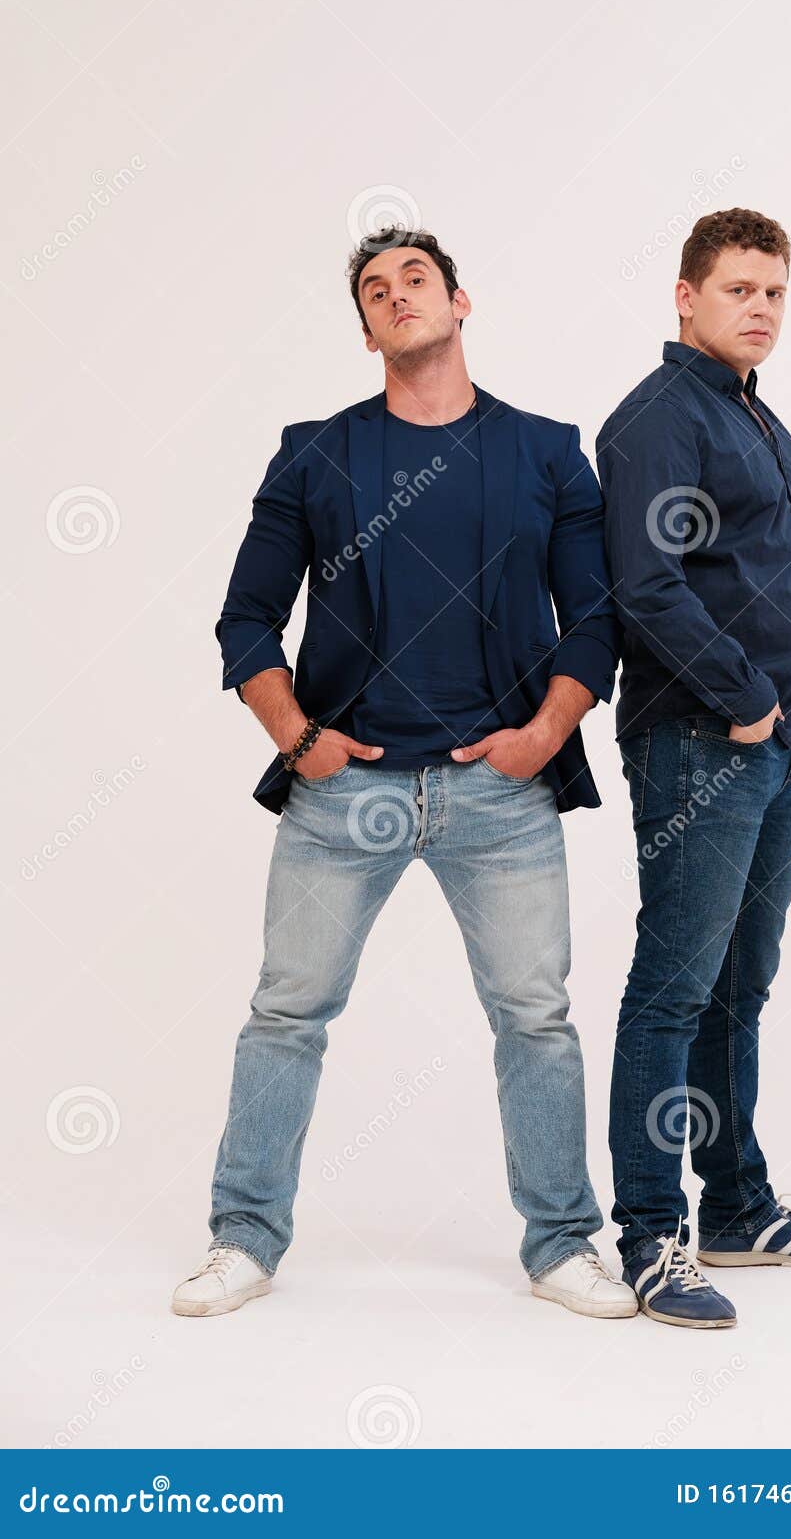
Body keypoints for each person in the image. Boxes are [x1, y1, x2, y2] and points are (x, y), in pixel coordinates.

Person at [172, 227, 635, 1322]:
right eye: (373, 291)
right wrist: (298, 739)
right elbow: (247, 618)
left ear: (459, 301)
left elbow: (596, 621)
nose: (395, 297)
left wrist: (541, 733)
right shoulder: (315, 455)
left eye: (413, 279)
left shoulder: (546, 452)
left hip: (500, 791)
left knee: (536, 1018)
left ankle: (563, 1243)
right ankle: (243, 1238)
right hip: (345, 790)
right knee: (287, 1011)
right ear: (366, 327)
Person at [596, 208, 791, 1330]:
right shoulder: (659, 419)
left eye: (774, 292)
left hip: (777, 740)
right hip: (699, 746)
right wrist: (748, 697)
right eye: (739, 288)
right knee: (670, 990)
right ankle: (651, 1233)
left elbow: (774, 564)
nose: (759, 307)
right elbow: (645, 586)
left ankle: (738, 1207)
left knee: (736, 987)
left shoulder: (754, 417)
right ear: (683, 295)